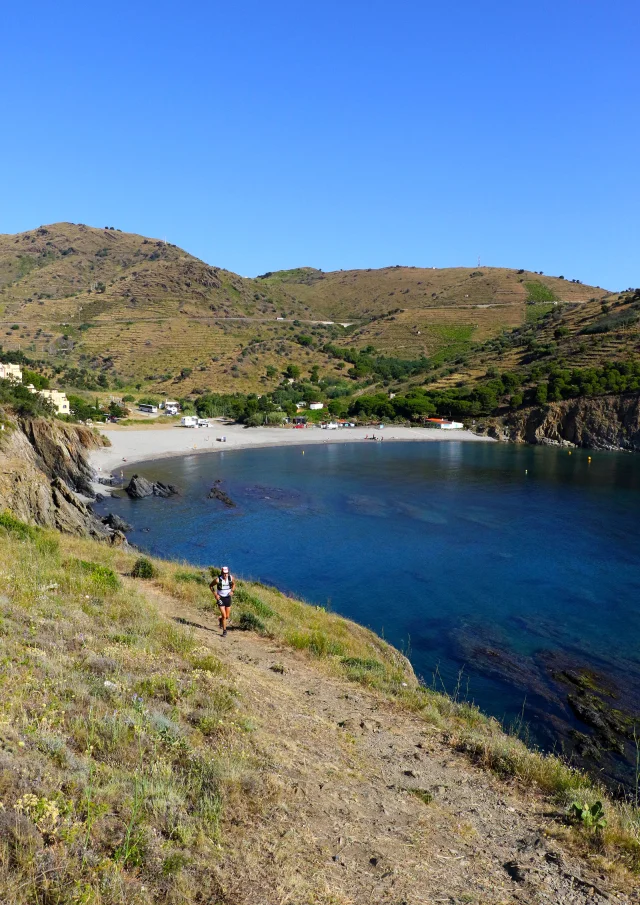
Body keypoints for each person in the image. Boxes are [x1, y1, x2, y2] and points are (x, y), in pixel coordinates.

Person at [210, 566, 235, 636]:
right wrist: (215, 594)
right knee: (224, 615)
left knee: (227, 616)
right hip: (220, 598)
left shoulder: (231, 578)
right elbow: (211, 586)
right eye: (224, 573)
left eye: (226, 573)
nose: (225, 575)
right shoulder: (217, 580)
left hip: (228, 598)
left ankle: (220, 620)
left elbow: (234, 584)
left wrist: (232, 591)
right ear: (221, 573)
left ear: (228, 573)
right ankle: (224, 631)